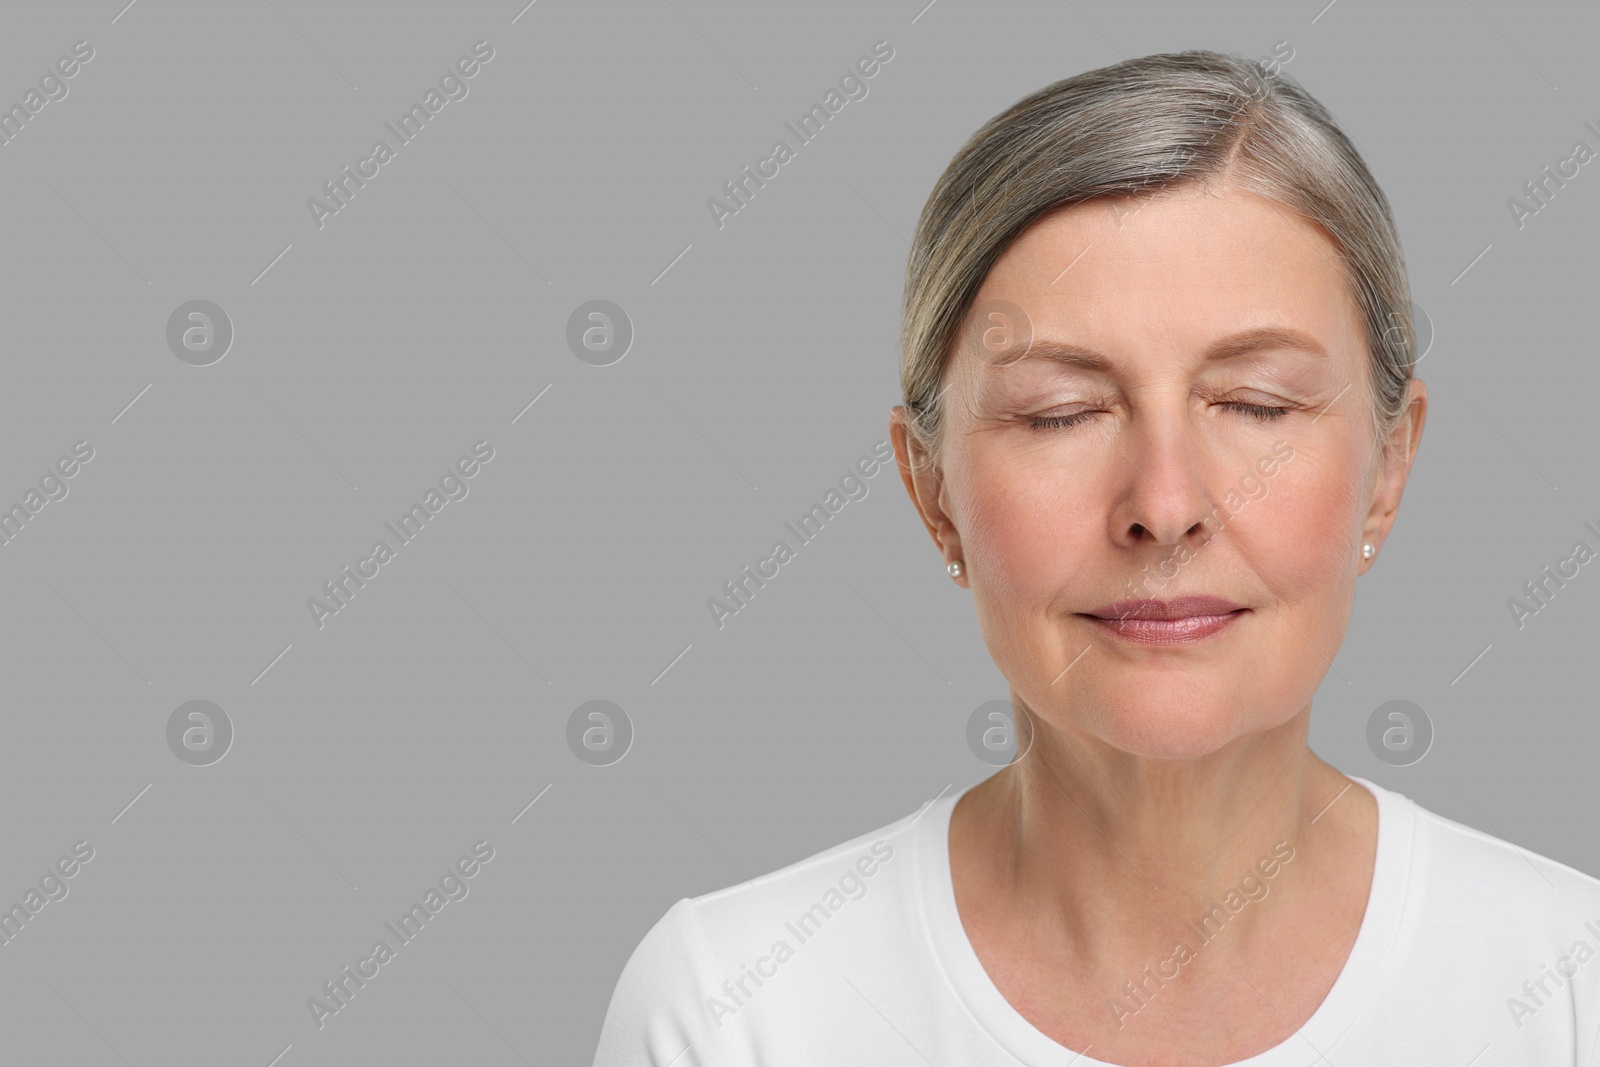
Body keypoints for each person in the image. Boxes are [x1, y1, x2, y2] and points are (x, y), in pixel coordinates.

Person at [591, 49, 1600, 1066]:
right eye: (1059, 413)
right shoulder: (736, 1009)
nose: (1164, 506)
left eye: (1255, 403)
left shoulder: (1567, 984)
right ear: (930, 488)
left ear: (1388, 466)